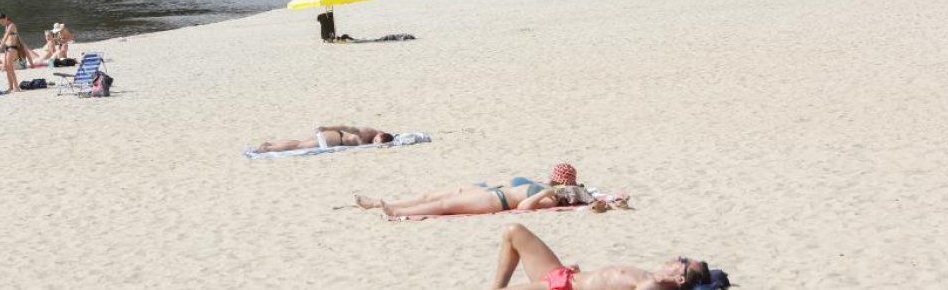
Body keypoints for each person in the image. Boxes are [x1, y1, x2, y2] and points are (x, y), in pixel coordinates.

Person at [490, 224, 716, 290]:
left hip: (563, 288)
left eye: (683, 261)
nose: (677, 257)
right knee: (514, 232)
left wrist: (660, 281)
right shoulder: (647, 276)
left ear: (680, 279)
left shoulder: (651, 284)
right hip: (564, 275)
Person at [354, 163, 596, 217]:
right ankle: (375, 203)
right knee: (429, 196)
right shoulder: (545, 186)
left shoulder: (551, 197)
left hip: (496, 200)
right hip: (490, 190)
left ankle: (396, 211)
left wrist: (545, 194)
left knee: (443, 206)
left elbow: (524, 207)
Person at [252, 125, 395, 153]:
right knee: (299, 146)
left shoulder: (378, 134)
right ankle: (267, 149)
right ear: (378, 136)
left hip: (335, 135)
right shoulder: (366, 133)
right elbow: (347, 127)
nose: (375, 144)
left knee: (300, 142)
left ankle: (270, 144)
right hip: (335, 139)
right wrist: (326, 128)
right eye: (376, 142)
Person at [0, 13, 23, 93]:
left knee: (10, 67)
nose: (2, 23)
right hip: (8, 48)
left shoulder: (11, 25)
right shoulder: (6, 26)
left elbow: (6, 36)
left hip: (12, 48)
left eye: (2, 21)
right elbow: (6, 38)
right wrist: (1, 41)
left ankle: (16, 87)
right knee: (7, 68)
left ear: (6, 18)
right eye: (0, 22)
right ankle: (10, 87)